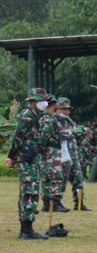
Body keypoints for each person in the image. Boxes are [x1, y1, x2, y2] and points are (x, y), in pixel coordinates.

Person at [6, 87, 52, 239]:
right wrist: (12, 156)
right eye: (41, 100)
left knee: (32, 192)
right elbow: (18, 137)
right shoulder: (26, 114)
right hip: (26, 159)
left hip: (33, 158)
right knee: (28, 192)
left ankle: (28, 228)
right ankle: (26, 230)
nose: (44, 103)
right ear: (32, 101)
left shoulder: (37, 115)